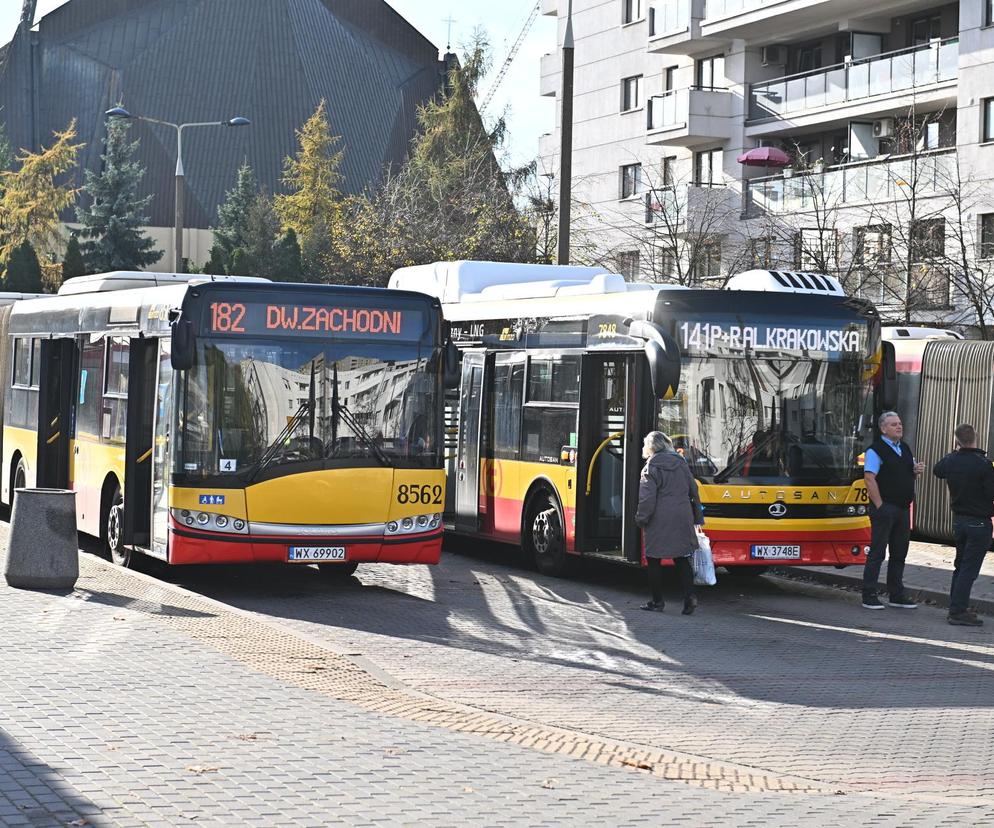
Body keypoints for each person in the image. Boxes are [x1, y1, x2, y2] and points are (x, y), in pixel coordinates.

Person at [635, 431, 704, 615]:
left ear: (650, 447)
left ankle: (657, 601)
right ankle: (690, 596)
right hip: (682, 515)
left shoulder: (650, 467)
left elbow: (647, 498)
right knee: (682, 557)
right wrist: (697, 516)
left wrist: (641, 518)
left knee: (654, 558)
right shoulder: (681, 463)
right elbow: (694, 490)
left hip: (659, 518)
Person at [861, 411, 925, 610]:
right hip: (885, 508)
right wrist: (880, 506)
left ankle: (896, 594)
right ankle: (869, 594)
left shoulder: (904, 448)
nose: (899, 427)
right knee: (877, 552)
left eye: (899, 423)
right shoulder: (875, 450)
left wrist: (915, 472)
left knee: (899, 552)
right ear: (883, 429)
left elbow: (906, 475)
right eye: (894, 424)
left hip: (903, 508)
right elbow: (869, 478)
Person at [933, 423, 994, 626]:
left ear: (957, 441)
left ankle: (955, 606)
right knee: (969, 569)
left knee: (960, 566)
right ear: (975, 437)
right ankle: (958, 611)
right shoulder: (983, 464)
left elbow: (937, 470)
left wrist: (955, 452)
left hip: (959, 522)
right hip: (979, 523)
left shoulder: (951, 460)